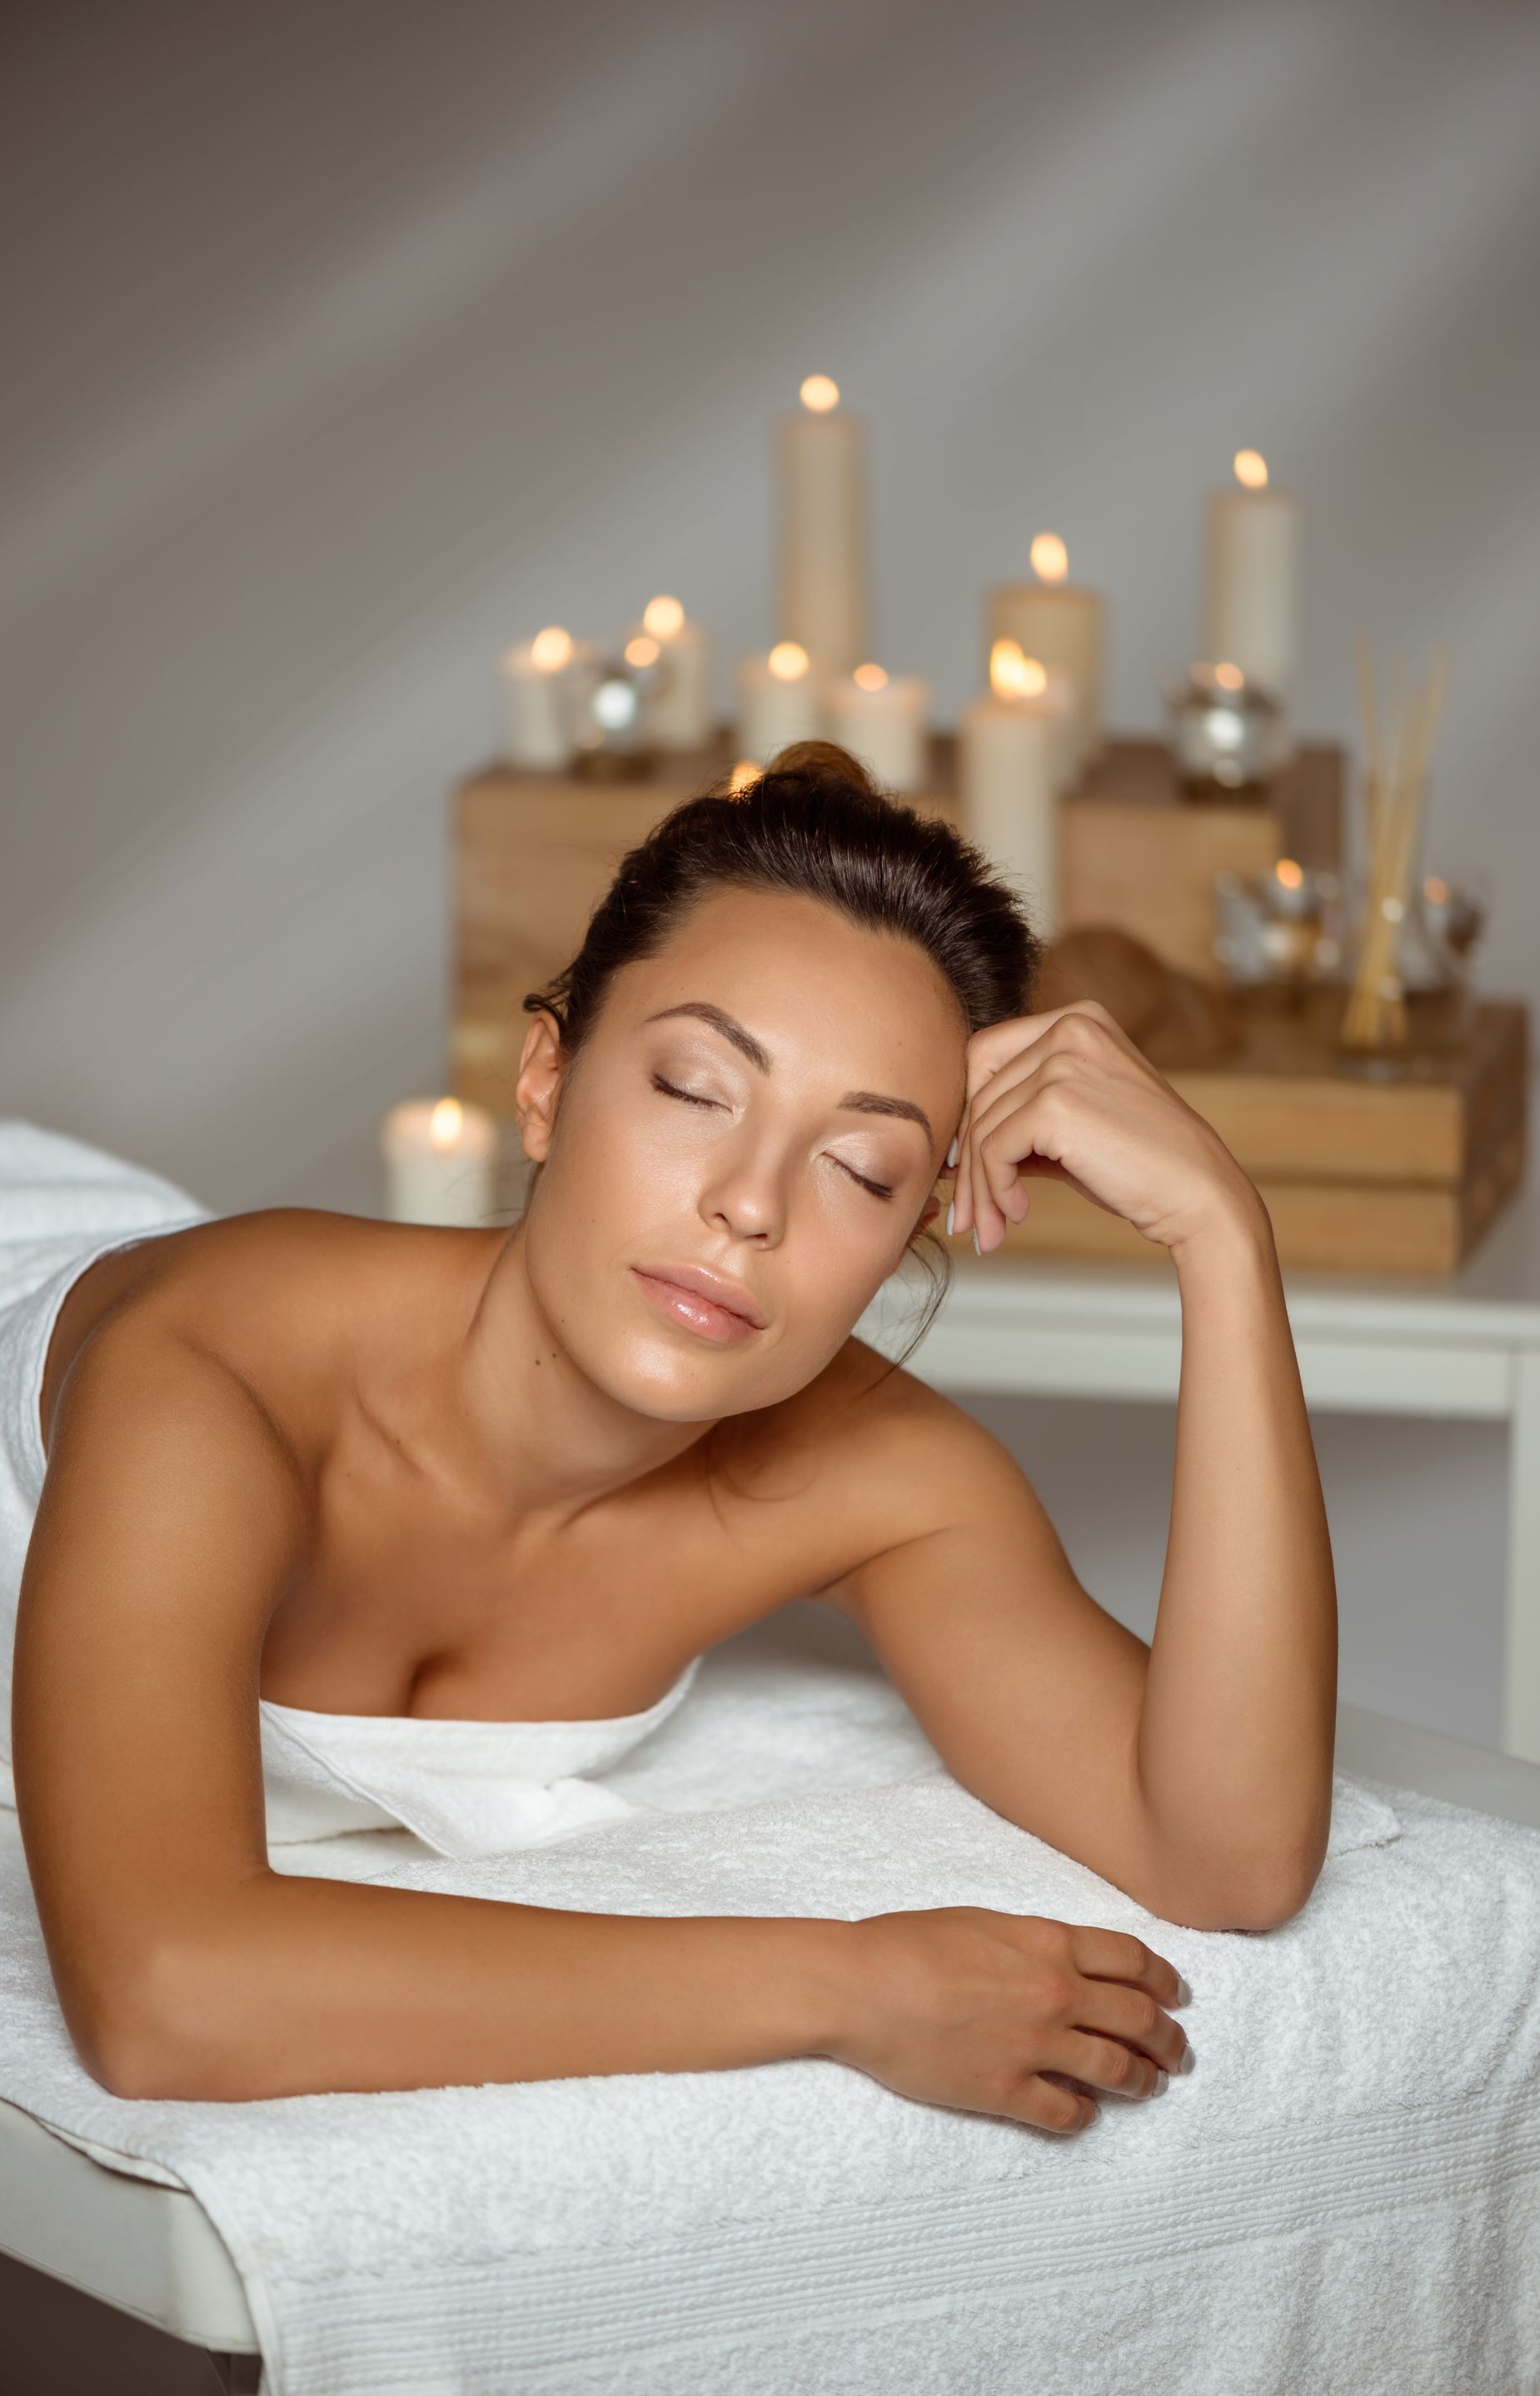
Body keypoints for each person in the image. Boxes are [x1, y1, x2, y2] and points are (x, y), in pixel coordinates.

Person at [7, 742, 1335, 2133]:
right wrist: (849, 1985)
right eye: (697, 1088)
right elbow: (164, 1992)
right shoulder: (206, 1385)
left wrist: (1222, 1237)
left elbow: (1226, 1853)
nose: (751, 1204)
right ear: (545, 1077)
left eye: (862, 1166)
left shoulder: (877, 1475)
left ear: (910, 1232)